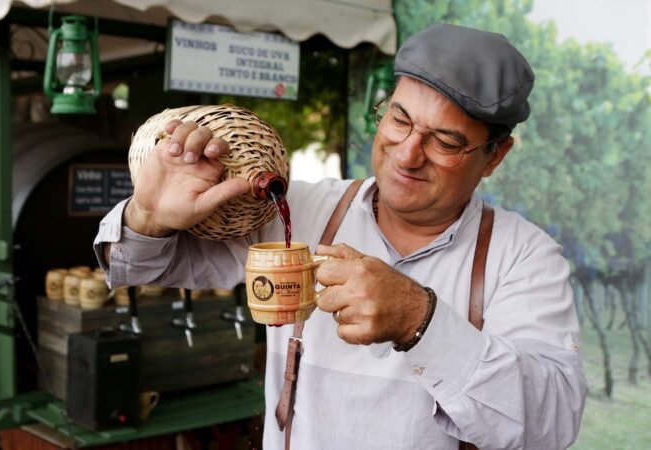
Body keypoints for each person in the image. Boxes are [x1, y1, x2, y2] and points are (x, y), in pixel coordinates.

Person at [94, 23, 587, 449]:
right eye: (399, 119)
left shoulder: (523, 257)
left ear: (494, 156)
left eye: (445, 141)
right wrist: (151, 214)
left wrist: (421, 319)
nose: (408, 153)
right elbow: (130, 266)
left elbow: (551, 424)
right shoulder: (299, 210)